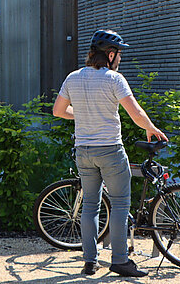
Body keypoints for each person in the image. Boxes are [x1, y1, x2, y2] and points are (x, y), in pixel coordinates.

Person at [53, 29, 168, 277]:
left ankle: (89, 261)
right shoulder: (114, 79)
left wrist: (83, 115)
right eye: (119, 55)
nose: (120, 60)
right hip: (110, 151)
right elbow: (136, 114)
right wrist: (152, 128)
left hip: (84, 151)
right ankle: (120, 261)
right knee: (118, 205)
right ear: (111, 54)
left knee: (90, 206)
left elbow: (58, 111)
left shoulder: (73, 78)